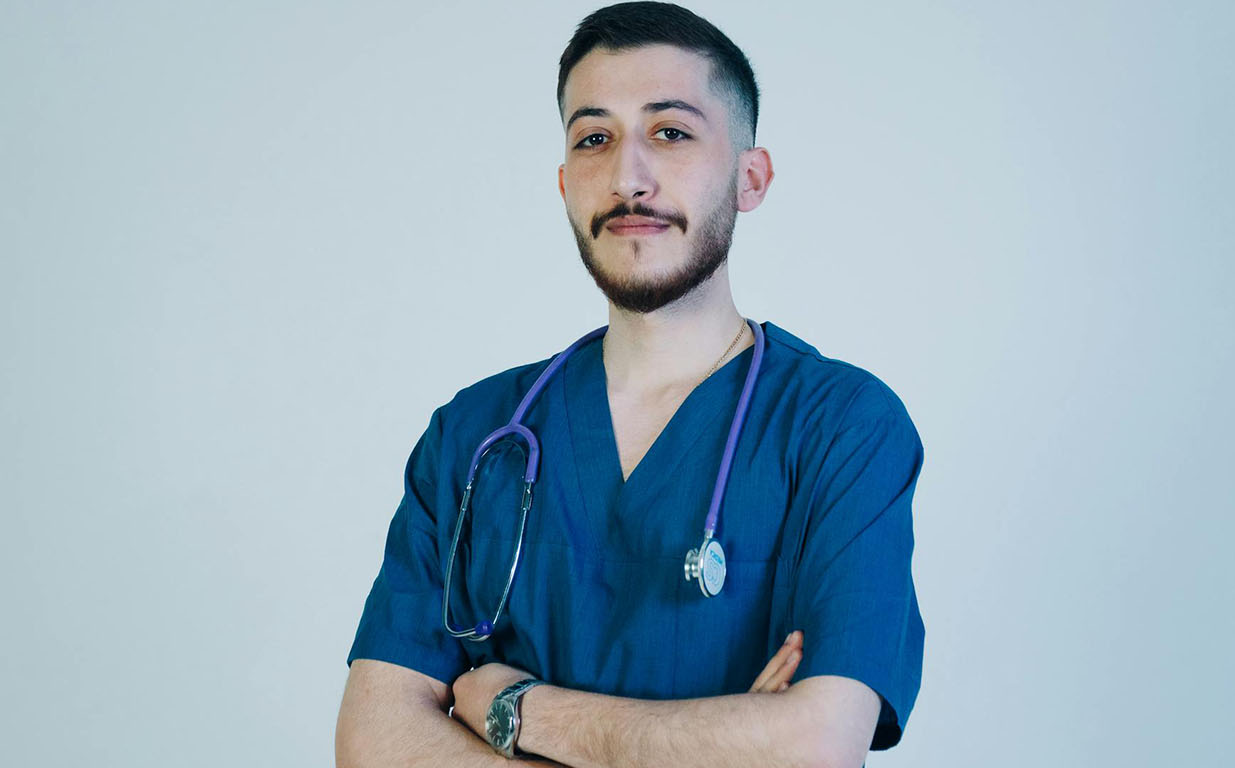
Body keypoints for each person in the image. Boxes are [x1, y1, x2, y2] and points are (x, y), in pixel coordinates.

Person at [335, 3, 926, 766]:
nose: (627, 177)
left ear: (750, 178)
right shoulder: (473, 436)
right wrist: (722, 744)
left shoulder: (841, 426)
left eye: (671, 132)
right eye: (594, 139)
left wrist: (518, 709)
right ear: (564, 182)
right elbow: (373, 743)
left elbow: (814, 746)